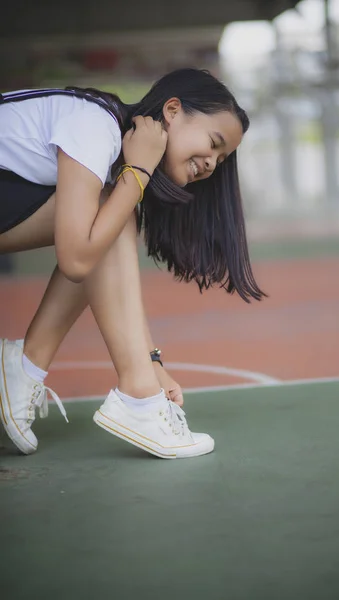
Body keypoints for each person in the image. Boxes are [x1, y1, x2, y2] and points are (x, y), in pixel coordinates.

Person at [0, 68, 265, 460]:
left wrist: (152, 361)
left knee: (111, 216)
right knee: (112, 212)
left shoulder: (109, 151)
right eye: (213, 143)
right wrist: (137, 172)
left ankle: (25, 368)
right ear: (172, 111)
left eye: (221, 159)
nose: (211, 164)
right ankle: (136, 400)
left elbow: (102, 267)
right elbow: (75, 260)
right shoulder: (94, 126)